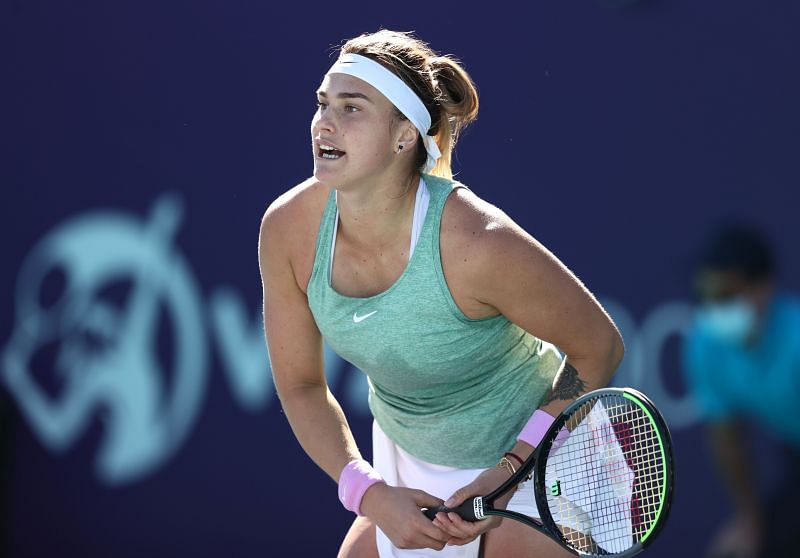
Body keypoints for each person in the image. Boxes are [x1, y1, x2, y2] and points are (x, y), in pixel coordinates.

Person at [259, 29, 624, 558]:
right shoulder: (287, 231)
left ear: (404, 134)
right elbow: (301, 387)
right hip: (410, 462)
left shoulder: (477, 242)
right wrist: (370, 493)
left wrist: (510, 468)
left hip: (541, 459)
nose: (325, 123)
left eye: (352, 108)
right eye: (323, 104)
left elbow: (600, 346)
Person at [683, 223, 800, 558]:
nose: (714, 309)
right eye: (704, 297)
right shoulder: (704, 345)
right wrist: (750, 521)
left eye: (726, 297)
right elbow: (727, 440)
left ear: (764, 288)